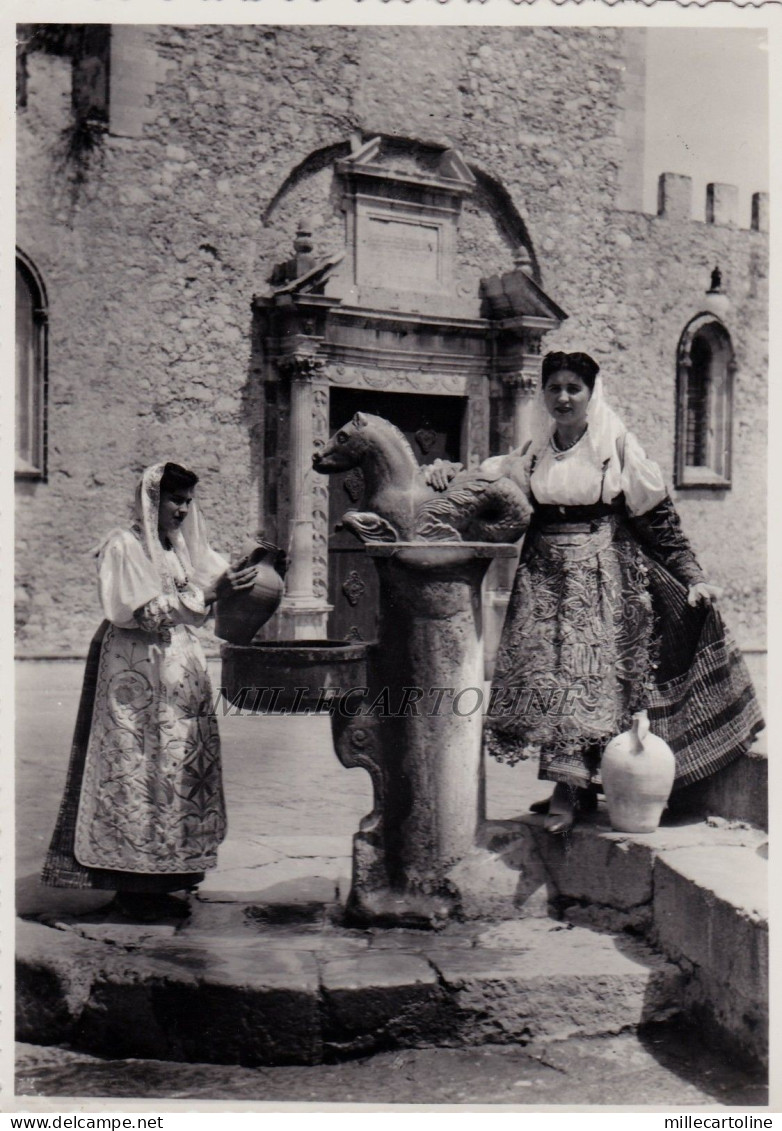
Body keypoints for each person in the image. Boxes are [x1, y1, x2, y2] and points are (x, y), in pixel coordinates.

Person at [428, 351, 764, 833]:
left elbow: (661, 524)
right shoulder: (533, 452)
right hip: (544, 576)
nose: (563, 398)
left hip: (604, 576)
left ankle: (574, 791)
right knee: (547, 677)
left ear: (591, 393)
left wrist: (693, 577)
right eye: (554, 388)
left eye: (573, 388)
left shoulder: (618, 447)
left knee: (585, 680)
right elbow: (486, 483)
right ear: (543, 394)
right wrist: (445, 472)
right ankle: (573, 789)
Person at [41, 462, 258, 918]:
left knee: (175, 767)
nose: (183, 509)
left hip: (177, 671)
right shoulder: (125, 545)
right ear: (153, 500)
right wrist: (210, 595)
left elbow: (198, 604)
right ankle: (131, 883)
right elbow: (145, 613)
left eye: (188, 501)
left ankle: (167, 874)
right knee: (137, 766)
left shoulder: (177, 547)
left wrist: (232, 587)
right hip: (134, 673)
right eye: (175, 500)